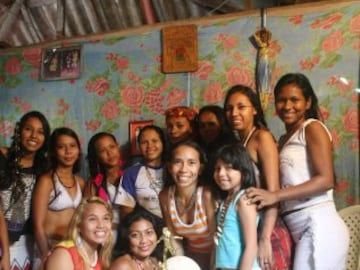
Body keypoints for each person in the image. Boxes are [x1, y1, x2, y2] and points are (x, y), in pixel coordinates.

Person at [245, 73, 349, 270]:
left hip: (319, 224)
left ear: (308, 102)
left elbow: (326, 180)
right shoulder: (283, 139)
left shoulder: (312, 128)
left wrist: (274, 195)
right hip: (297, 228)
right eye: (281, 100)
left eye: (295, 100)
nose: (287, 106)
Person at [224, 85, 292, 269]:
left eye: (241, 107)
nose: (234, 113)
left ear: (254, 109)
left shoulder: (262, 137)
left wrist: (265, 239)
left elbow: (273, 192)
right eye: (229, 108)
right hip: (248, 228)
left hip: (268, 227)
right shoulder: (238, 143)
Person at [0, 111, 50, 270]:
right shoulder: (2, 156)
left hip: (26, 244)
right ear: (19, 131)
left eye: (40, 132)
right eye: (28, 129)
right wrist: (5, 254)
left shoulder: (45, 167)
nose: (34, 135)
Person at [33, 127, 85, 268]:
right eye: (61, 147)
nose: (68, 152)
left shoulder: (80, 182)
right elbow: (38, 225)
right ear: (54, 152)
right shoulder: (47, 181)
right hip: (51, 249)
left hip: (76, 249)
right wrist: (46, 257)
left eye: (72, 146)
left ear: (79, 151)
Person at [159, 140, 215, 269]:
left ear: (200, 168)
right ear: (169, 167)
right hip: (190, 258)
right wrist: (182, 264)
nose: (184, 169)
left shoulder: (206, 195)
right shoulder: (165, 196)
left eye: (191, 163)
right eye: (178, 162)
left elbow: (217, 241)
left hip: (217, 257)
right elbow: (174, 239)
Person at [213, 143, 260, 270]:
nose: (221, 173)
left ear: (243, 171)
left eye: (228, 168)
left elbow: (251, 247)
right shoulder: (225, 200)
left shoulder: (243, 199)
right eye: (217, 169)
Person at [115, 125, 166, 228]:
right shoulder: (131, 173)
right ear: (139, 146)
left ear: (163, 143)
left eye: (154, 141)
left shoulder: (173, 168)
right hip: (147, 232)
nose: (149, 145)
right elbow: (126, 212)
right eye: (144, 142)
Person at [44, 196, 113, 270]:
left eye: (105, 218)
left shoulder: (100, 255)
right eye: (92, 219)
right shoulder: (63, 255)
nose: (101, 225)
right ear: (79, 225)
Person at [84, 132, 124, 236]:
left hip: (129, 231)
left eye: (112, 147)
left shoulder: (130, 174)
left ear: (117, 147)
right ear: (97, 156)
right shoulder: (93, 183)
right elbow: (87, 215)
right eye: (102, 150)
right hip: (103, 234)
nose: (110, 153)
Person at [196, 105, 235, 194]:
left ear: (222, 125)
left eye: (211, 124)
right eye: (202, 126)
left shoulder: (232, 150)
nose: (207, 129)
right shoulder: (198, 149)